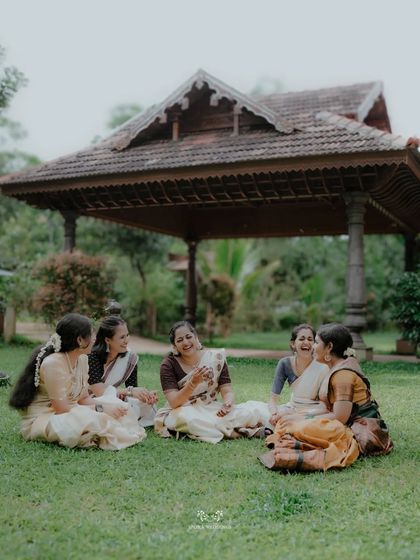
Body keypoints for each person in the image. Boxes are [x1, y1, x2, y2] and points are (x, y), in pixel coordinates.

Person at [260, 323, 393, 472]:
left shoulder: (343, 375)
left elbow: (340, 418)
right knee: (289, 421)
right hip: (342, 421)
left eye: (316, 342)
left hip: (359, 430)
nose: (312, 346)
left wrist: (304, 419)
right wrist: (300, 415)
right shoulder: (335, 367)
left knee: (298, 426)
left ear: (329, 347)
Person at [9, 313, 146, 450]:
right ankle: (92, 434)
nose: (94, 339)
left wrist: (107, 406)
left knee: (120, 407)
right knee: (87, 418)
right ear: (80, 340)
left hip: (73, 410)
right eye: (91, 335)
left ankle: (94, 434)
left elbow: (84, 398)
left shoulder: (82, 359)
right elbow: (62, 409)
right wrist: (102, 409)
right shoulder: (54, 363)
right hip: (48, 417)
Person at [154, 321, 270, 443]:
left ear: (196, 337)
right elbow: (173, 402)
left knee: (248, 413)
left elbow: (227, 390)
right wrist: (192, 383)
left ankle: (224, 429)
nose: (186, 342)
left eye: (189, 337)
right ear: (174, 345)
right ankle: (242, 432)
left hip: (209, 407)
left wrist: (227, 403)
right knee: (189, 421)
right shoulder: (168, 365)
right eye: (180, 340)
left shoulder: (215, 358)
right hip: (183, 409)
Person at [88, 315, 158, 427]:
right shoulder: (92, 356)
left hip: (113, 398)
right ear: (107, 340)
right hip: (91, 400)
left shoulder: (130, 359)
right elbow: (99, 391)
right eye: (122, 337)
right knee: (117, 406)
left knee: (143, 405)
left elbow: (131, 389)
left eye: (127, 335)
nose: (127, 341)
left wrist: (145, 396)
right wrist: (129, 391)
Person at [267, 323, 329, 428]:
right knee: (257, 415)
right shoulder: (285, 363)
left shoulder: (323, 366)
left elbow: (325, 405)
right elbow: (273, 399)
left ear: (314, 344)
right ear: (293, 344)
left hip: (315, 411)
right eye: (302, 339)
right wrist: (274, 414)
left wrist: (299, 415)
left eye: (310, 339)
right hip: (292, 408)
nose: (306, 342)